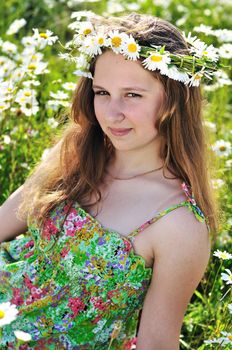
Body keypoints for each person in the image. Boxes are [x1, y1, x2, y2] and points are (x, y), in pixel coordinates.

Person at [0, 12, 219, 350]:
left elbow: (157, 343)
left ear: (174, 101)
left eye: (132, 95)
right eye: (102, 92)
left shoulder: (179, 223)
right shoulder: (75, 153)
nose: (111, 112)